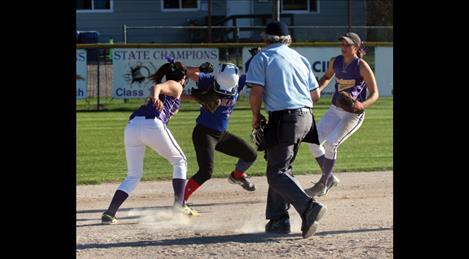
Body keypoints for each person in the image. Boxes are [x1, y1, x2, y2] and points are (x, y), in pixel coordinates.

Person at [246, 21, 326, 239]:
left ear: (265, 38)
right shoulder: (299, 57)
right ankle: (278, 220)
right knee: (281, 167)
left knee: (276, 172)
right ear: (287, 39)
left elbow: (256, 93)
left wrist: (255, 116)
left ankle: (309, 207)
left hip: (286, 118)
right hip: (306, 117)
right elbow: (316, 94)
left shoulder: (262, 57)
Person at [101, 60, 198, 225]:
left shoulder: (175, 92)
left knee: (133, 175)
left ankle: (109, 214)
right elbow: (157, 87)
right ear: (182, 78)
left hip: (132, 126)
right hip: (151, 124)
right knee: (180, 161)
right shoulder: (175, 85)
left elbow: (177, 96)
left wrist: (200, 97)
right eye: (184, 78)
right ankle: (179, 205)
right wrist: (154, 98)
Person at [305, 32, 379, 197]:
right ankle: (329, 177)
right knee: (312, 141)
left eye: (348, 45)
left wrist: (362, 104)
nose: (344, 47)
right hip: (334, 110)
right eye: (342, 44)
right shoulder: (335, 61)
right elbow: (326, 77)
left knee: (331, 144)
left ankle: (323, 183)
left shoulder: (361, 66)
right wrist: (316, 92)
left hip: (352, 114)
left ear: (357, 47)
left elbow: (375, 93)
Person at [182, 63, 258, 206]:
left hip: (221, 135)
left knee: (250, 155)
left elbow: (258, 74)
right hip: (204, 133)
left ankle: (237, 176)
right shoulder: (208, 80)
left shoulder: (239, 81)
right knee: (206, 172)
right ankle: (180, 201)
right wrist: (199, 69)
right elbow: (187, 73)